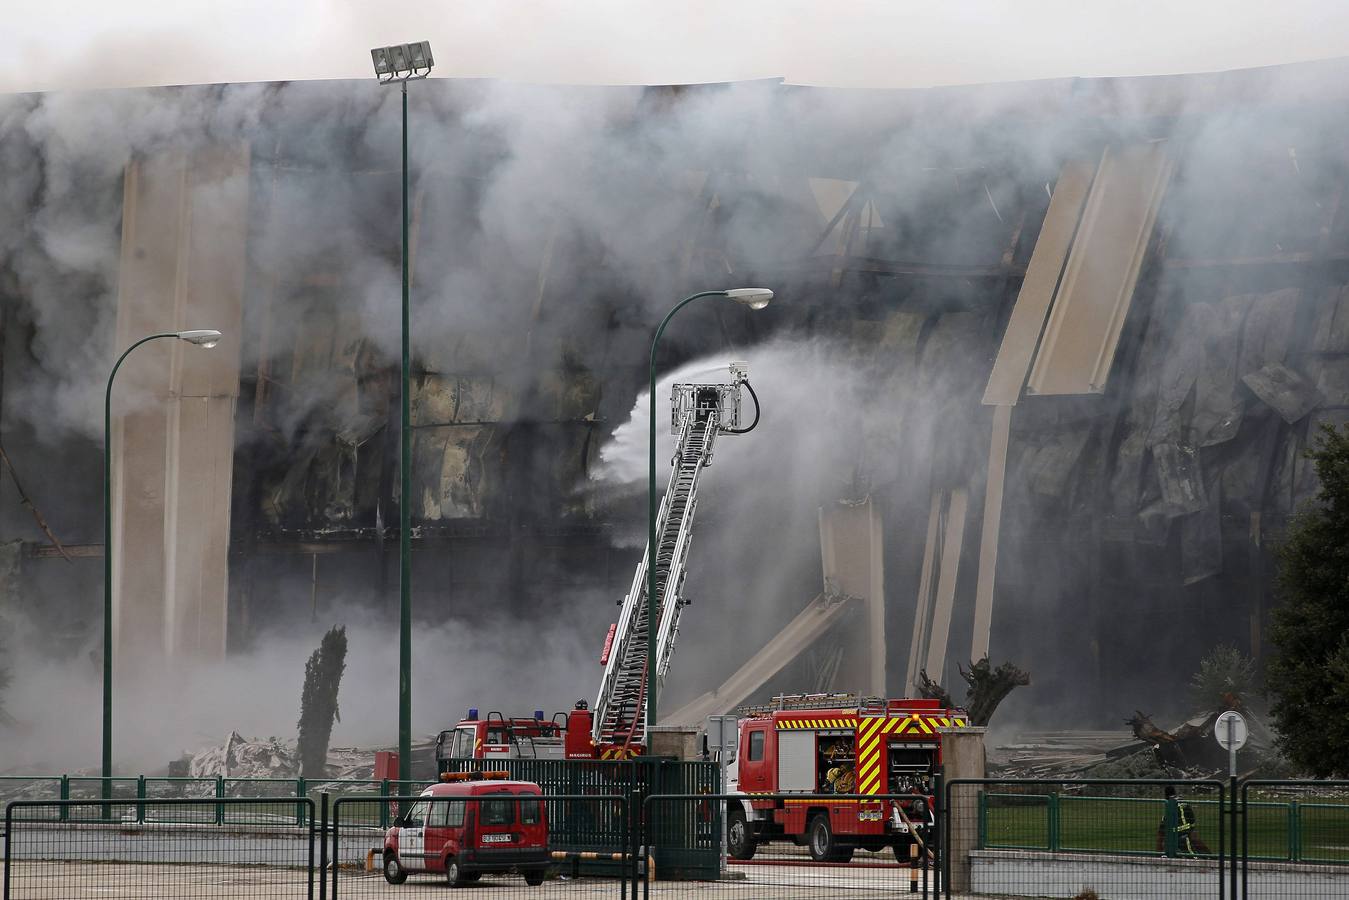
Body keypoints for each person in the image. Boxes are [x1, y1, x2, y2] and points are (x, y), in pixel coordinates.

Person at [1156, 786, 1211, 856]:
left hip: (1178, 834)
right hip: (1187, 830)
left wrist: (1159, 850)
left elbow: (1160, 833)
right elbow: (1191, 819)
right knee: (1194, 839)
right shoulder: (1184, 803)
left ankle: (1159, 854)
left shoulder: (1169, 806)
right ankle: (1210, 856)